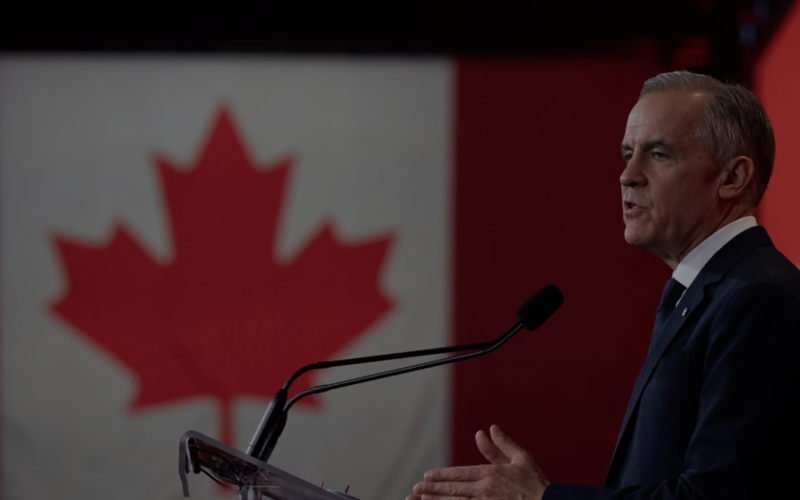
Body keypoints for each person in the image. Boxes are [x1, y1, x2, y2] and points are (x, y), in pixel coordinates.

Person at [407, 71, 800, 500]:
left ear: (732, 177)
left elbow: (715, 496)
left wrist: (540, 498)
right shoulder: (706, 294)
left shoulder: (759, 298)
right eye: (628, 154)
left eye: (658, 154)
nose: (628, 175)